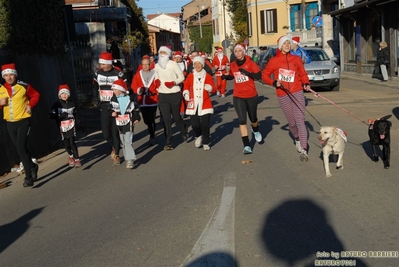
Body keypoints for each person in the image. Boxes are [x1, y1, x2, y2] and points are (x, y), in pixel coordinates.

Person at [262, 35, 311, 162]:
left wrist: (305, 83)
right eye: (285, 43)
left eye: (289, 43)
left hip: (297, 91)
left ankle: (304, 150)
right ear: (280, 46)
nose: (287, 45)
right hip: (282, 93)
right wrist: (274, 83)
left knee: (300, 120)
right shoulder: (274, 60)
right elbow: (265, 75)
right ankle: (297, 138)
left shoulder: (296, 58)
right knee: (292, 122)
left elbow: (303, 73)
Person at [0, 63, 40, 187]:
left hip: (23, 121)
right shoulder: (1, 89)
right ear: (3, 77)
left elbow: (35, 95)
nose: (9, 77)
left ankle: (28, 177)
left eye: (11, 74)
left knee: (21, 148)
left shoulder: (24, 86)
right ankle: (32, 166)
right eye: (6, 75)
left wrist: (30, 105)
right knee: (20, 148)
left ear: (15, 75)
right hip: (10, 123)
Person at [221, 44, 262, 155]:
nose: (238, 53)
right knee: (242, 120)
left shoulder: (250, 63)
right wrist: (226, 77)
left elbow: (258, 75)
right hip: (238, 96)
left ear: (244, 52)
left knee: (253, 118)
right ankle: (247, 145)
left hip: (251, 95)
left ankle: (255, 129)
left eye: (240, 51)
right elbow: (232, 75)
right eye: (236, 51)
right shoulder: (233, 64)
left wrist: (248, 73)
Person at [93, 52, 126, 165]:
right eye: (101, 64)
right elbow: (94, 86)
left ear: (109, 63)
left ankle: (116, 154)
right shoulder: (98, 73)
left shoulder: (118, 74)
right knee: (106, 134)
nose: (101, 66)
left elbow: (125, 90)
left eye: (103, 64)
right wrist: (95, 98)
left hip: (116, 105)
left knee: (115, 132)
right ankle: (114, 145)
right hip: (104, 105)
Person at [154, 46, 188, 150]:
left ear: (168, 54)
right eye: (161, 52)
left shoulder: (173, 64)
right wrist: (156, 81)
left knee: (176, 117)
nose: (162, 54)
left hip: (174, 93)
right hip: (163, 95)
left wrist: (173, 82)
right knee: (166, 119)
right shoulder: (157, 66)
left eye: (164, 52)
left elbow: (181, 77)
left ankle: (184, 129)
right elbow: (156, 76)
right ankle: (169, 141)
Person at [182, 56, 216, 150]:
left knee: (205, 124)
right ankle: (199, 135)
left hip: (205, 103)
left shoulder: (207, 76)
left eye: (199, 64)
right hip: (193, 103)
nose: (197, 66)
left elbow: (213, 89)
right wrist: (186, 94)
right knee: (195, 124)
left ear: (202, 65)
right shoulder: (190, 76)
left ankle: (206, 142)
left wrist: (209, 88)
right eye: (195, 64)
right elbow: (185, 87)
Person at [109, 79, 141, 169]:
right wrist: (112, 113)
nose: (114, 91)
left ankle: (130, 160)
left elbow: (135, 110)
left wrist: (136, 118)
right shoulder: (113, 99)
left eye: (115, 89)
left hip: (128, 122)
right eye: (113, 90)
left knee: (128, 140)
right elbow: (110, 109)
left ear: (121, 89)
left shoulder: (129, 99)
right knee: (123, 142)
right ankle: (127, 159)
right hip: (119, 123)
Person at [50, 84, 81, 168]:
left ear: (69, 94)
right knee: (66, 145)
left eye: (66, 93)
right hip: (62, 127)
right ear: (59, 95)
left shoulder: (72, 103)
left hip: (71, 125)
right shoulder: (56, 105)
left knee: (72, 143)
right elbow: (51, 116)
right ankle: (71, 156)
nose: (64, 95)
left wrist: (77, 121)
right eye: (62, 93)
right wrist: (60, 116)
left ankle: (77, 159)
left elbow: (76, 113)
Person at [131, 56, 159, 146]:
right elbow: (133, 85)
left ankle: (152, 136)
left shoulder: (155, 73)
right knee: (146, 120)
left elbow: (159, 84)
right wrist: (138, 90)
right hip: (142, 101)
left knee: (151, 119)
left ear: (150, 65)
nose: (145, 66)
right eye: (144, 65)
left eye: (147, 64)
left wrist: (154, 91)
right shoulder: (138, 74)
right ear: (141, 65)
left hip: (153, 100)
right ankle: (150, 128)